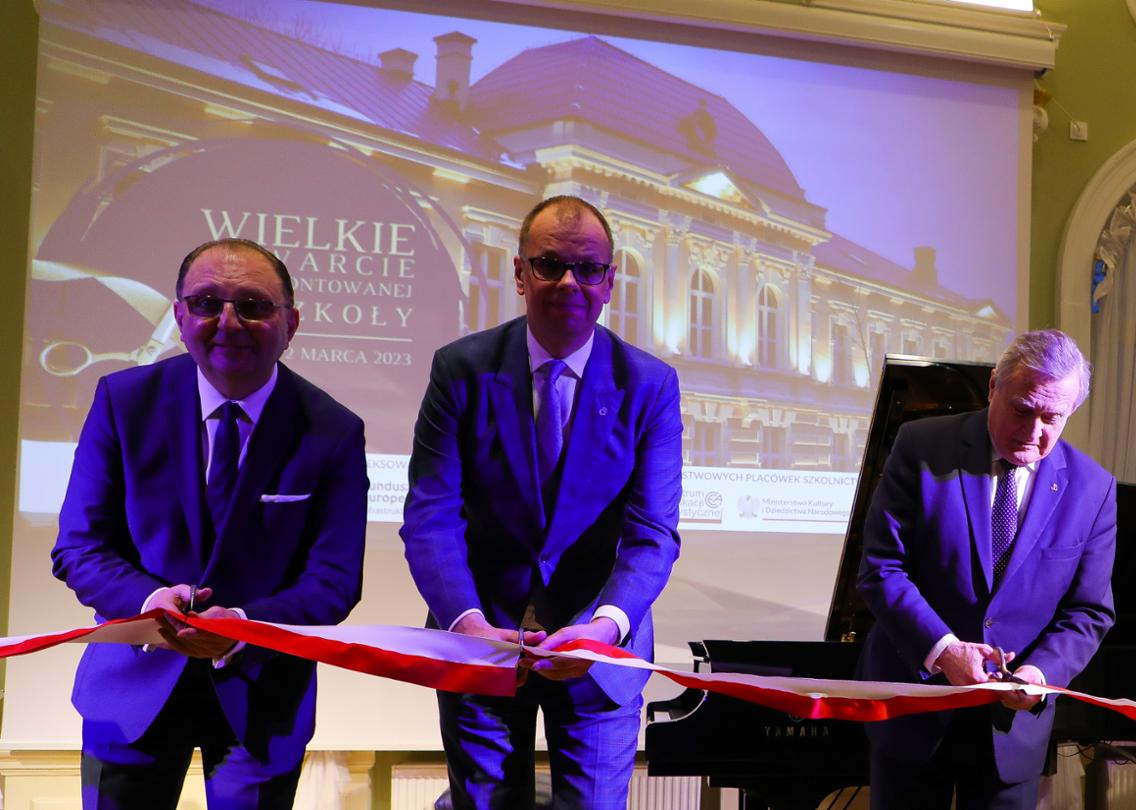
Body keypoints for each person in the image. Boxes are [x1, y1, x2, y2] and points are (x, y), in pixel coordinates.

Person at [51, 238, 369, 809]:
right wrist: (151, 599)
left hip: (262, 696)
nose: (228, 322)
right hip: (132, 688)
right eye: (205, 304)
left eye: (252, 304)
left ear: (291, 322)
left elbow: (335, 580)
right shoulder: (123, 401)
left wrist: (244, 623)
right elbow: (80, 548)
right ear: (178, 316)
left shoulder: (333, 429)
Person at [400, 195, 682, 809]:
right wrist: (466, 622)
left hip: (600, 652)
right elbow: (430, 515)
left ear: (610, 282)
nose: (569, 282)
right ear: (520, 273)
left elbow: (652, 533)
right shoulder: (460, 369)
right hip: (481, 640)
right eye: (549, 264)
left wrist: (604, 629)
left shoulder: (650, 384)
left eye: (588, 268)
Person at [855, 328, 1118, 810]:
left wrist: (1041, 673)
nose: (1035, 431)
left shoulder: (1093, 488)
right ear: (994, 384)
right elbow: (880, 567)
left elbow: (1088, 612)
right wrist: (945, 650)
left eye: (1052, 417)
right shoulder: (921, 446)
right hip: (915, 709)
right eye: (1023, 409)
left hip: (1012, 731)